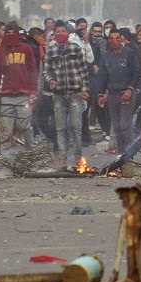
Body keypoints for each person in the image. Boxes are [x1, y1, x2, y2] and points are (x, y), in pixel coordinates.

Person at [44, 20, 90, 170]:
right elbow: (47, 71)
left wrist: (85, 89)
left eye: (63, 31)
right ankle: (63, 162)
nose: (60, 34)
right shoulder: (50, 51)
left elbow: (83, 71)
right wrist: (50, 80)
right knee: (60, 129)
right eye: (57, 32)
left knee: (76, 127)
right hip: (58, 95)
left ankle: (78, 160)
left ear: (68, 33)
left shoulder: (76, 49)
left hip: (75, 93)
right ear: (54, 34)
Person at [0, 21, 38, 155]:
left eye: (13, 32)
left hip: (24, 95)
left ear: (17, 34)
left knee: (25, 126)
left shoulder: (26, 49)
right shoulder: (1, 52)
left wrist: (33, 92)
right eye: (8, 32)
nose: (11, 35)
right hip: (6, 96)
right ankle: (6, 159)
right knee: (5, 130)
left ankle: (30, 151)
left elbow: (33, 71)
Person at [92, 28, 139, 156]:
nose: (115, 41)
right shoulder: (105, 56)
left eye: (117, 38)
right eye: (111, 38)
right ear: (108, 40)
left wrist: (130, 89)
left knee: (125, 125)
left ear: (121, 39)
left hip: (126, 94)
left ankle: (130, 153)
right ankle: (121, 154)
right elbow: (102, 77)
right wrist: (101, 94)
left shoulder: (129, 53)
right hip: (112, 95)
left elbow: (136, 73)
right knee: (117, 127)